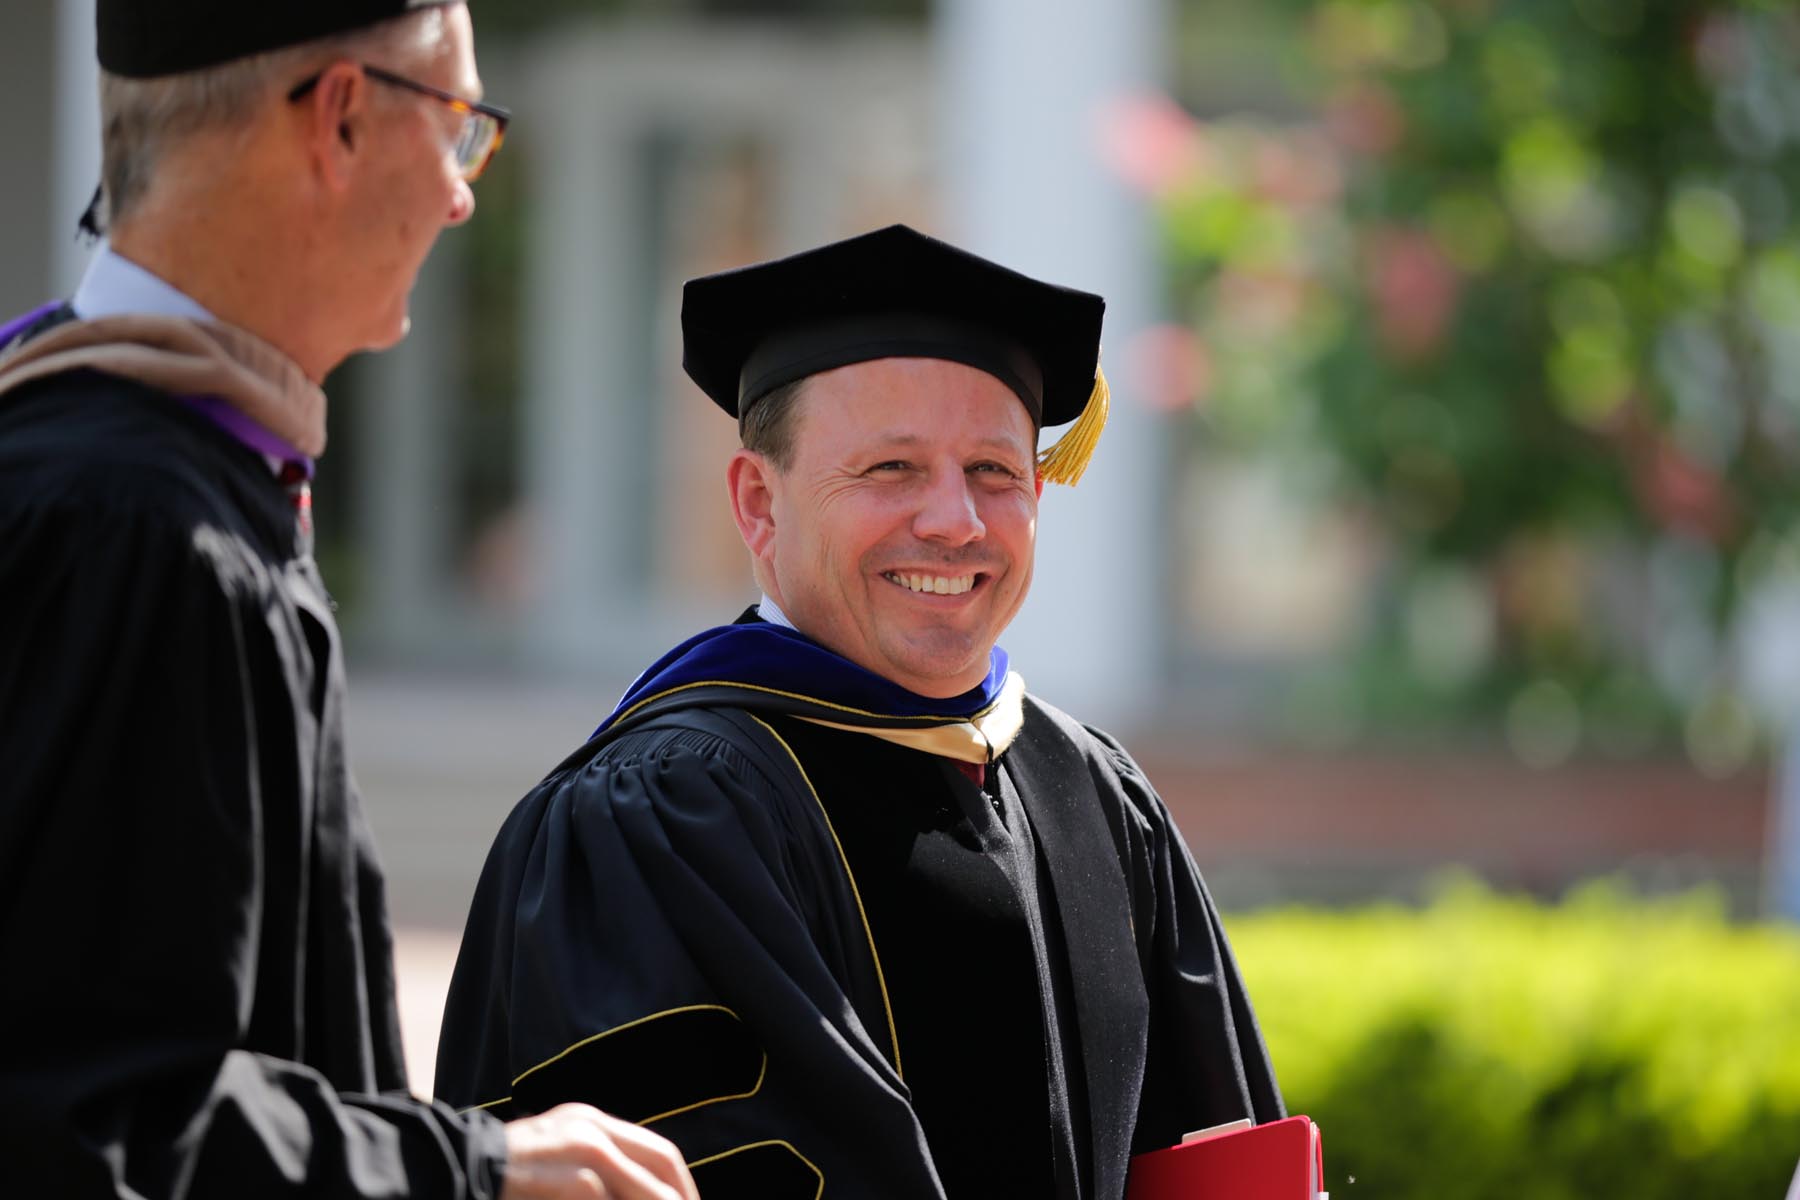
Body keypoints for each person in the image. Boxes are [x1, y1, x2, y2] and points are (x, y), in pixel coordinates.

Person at [0, 3, 695, 1198]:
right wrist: (482, 1170)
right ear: (341, 117)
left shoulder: (99, 465)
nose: (465, 193)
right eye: (459, 126)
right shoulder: (141, 527)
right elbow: (92, 1123)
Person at [434, 225, 1284, 1199]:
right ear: (759, 503)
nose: (956, 521)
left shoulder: (1092, 790)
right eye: (892, 470)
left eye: (996, 473)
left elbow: (1215, 1151)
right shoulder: (658, 817)